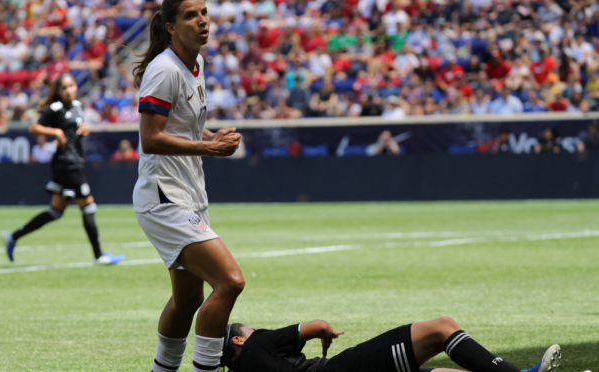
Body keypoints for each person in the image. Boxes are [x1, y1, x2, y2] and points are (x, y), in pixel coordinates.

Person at [131, 1, 244, 372]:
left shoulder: (196, 64)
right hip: (164, 197)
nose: (202, 20)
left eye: (205, 12)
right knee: (230, 282)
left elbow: (183, 128)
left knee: (188, 298)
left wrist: (212, 137)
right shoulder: (164, 70)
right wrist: (209, 148)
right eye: (191, 15)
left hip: (188, 194)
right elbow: (151, 139)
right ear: (171, 28)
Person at [0, 74, 124, 265]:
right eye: (64, 87)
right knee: (88, 205)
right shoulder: (55, 109)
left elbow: (76, 132)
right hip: (67, 163)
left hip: (71, 160)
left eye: (71, 86)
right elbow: (34, 128)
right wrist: (55, 132)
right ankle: (99, 256)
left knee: (55, 211)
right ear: (58, 91)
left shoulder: (77, 106)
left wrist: (86, 130)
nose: (69, 90)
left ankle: (13, 237)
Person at [219, 316, 561, 372]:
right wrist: (324, 335)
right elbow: (319, 326)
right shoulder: (256, 344)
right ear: (238, 338)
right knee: (441, 328)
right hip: (341, 370)